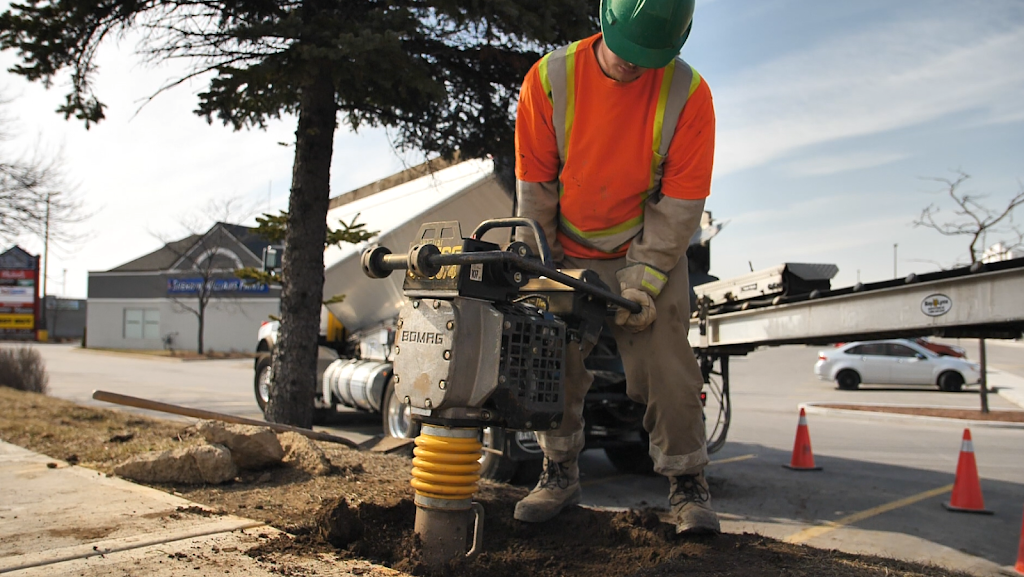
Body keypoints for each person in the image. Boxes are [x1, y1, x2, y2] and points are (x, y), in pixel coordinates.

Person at [512, 0, 718, 534]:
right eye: (628, 52)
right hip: (568, 246)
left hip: (645, 246)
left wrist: (644, 281)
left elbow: (680, 205)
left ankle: (687, 484)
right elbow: (536, 191)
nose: (634, 65)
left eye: (649, 57)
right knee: (550, 353)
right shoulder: (550, 80)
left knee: (668, 357)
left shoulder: (689, 95)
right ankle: (558, 472)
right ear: (603, 18)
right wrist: (544, 266)